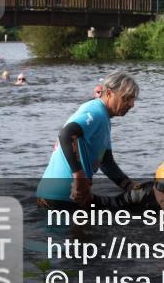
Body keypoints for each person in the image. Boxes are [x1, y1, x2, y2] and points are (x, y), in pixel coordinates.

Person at [36, 71, 140, 211]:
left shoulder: (104, 119)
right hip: (60, 197)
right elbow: (67, 134)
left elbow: (106, 162)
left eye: (133, 99)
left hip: (62, 197)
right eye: (126, 98)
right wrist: (79, 177)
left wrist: (129, 186)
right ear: (109, 93)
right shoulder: (96, 113)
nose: (132, 104)